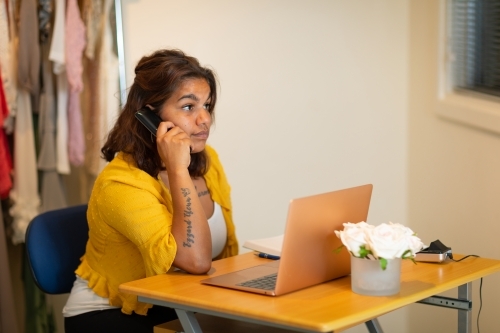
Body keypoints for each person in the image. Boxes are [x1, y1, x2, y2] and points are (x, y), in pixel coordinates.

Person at [63, 49, 239, 333]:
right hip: (113, 314)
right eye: (188, 107)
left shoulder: (209, 163)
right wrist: (177, 170)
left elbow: (220, 260)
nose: (204, 118)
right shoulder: (120, 183)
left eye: (207, 105)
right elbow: (195, 260)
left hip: (178, 303)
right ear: (149, 114)